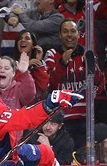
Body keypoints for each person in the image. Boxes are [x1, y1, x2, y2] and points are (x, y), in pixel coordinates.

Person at [44, 19, 103, 149]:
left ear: (78, 34)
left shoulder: (87, 54)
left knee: (83, 156)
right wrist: (62, 63)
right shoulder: (52, 54)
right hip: (62, 119)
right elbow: (50, 84)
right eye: (65, 31)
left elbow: (98, 82)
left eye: (72, 31)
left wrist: (92, 66)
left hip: (85, 117)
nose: (69, 35)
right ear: (59, 35)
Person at [12, 29, 50, 101]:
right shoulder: (11, 64)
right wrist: (25, 67)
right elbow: (14, 86)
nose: (23, 40)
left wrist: (38, 62)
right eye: (20, 39)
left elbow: (43, 87)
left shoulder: (40, 65)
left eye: (27, 38)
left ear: (33, 45)